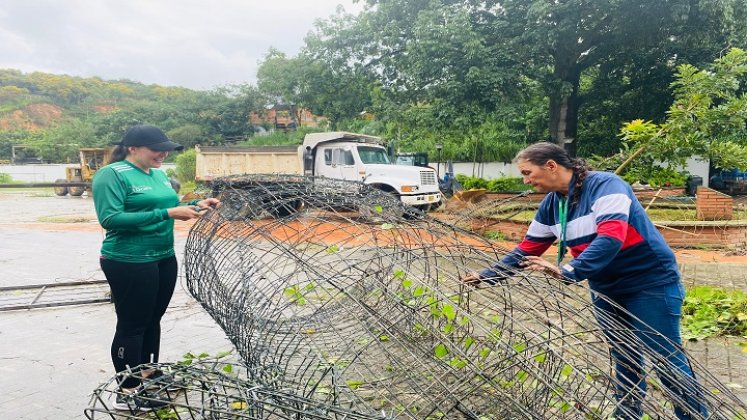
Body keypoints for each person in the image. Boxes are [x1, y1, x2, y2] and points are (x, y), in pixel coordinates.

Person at [463, 142, 707, 420]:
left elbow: (611, 237)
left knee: (664, 357)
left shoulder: (606, 185)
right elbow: (527, 248)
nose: (526, 180)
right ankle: (627, 415)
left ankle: (694, 416)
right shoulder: (553, 204)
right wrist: (487, 275)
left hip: (649, 282)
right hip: (606, 287)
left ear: (551, 166)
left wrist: (570, 270)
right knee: (624, 356)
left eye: (528, 172)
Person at [92, 124, 220, 412]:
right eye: (156, 149)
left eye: (166, 149)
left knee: (153, 319)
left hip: (162, 256)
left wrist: (198, 204)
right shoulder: (111, 175)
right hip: (129, 260)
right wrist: (167, 213)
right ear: (132, 148)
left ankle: (148, 373)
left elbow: (172, 204)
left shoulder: (159, 175)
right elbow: (110, 219)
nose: (163, 153)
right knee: (132, 324)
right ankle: (127, 391)